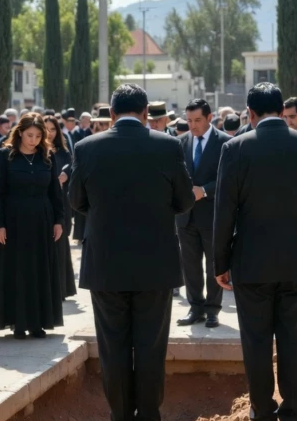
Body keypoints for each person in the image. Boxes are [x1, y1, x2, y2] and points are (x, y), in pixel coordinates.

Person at [69, 84, 194, 421]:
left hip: (106, 264)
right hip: (155, 265)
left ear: (111, 113)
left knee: (113, 347)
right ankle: (150, 413)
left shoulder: (86, 147)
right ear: (145, 113)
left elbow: (76, 202)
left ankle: (120, 414)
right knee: (152, 346)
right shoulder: (168, 146)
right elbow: (184, 201)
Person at [213, 83, 297, 420]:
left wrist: (221, 262)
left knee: (256, 341)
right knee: (293, 339)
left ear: (249, 114)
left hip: (251, 263)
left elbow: (225, 214)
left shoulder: (235, 148)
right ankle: (293, 409)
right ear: (282, 111)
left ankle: (262, 409)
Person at [0, 113, 65, 338]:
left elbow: (54, 193)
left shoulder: (47, 157)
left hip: (42, 219)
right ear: (19, 132)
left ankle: (38, 322)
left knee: (39, 269)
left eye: (39, 136)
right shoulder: (4, 156)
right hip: (13, 220)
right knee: (17, 269)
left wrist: (59, 220)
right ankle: (17, 322)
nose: (34, 140)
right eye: (30, 135)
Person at [175, 99, 231, 329]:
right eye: (189, 120)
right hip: (185, 216)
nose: (193, 125)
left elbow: (228, 179)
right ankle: (195, 307)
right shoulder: (180, 143)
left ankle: (212, 310)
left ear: (209, 118)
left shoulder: (225, 143)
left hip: (213, 215)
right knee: (190, 265)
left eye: (197, 120)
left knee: (213, 264)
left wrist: (205, 191)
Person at [44, 115, 77, 298]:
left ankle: (61, 287)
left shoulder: (64, 152)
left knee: (60, 241)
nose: (49, 133)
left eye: (53, 129)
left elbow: (72, 167)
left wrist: (66, 174)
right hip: (42, 201)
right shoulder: (36, 150)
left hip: (60, 202)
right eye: (46, 128)